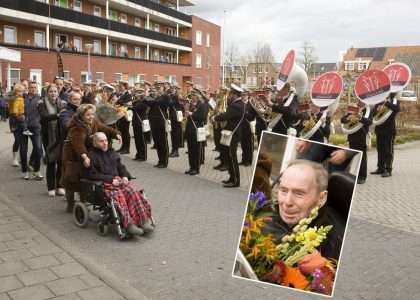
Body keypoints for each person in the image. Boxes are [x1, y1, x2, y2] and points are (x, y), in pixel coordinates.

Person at [262, 159, 345, 261]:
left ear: (321, 198)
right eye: (283, 190)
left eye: (299, 193)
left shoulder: (333, 248)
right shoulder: (263, 218)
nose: (287, 202)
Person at [85, 132, 154, 236]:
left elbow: (121, 167)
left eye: (106, 140)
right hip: (105, 186)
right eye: (101, 141)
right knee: (119, 196)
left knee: (133, 192)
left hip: (119, 183)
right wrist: (111, 179)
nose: (105, 143)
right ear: (95, 143)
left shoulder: (112, 152)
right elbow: (92, 175)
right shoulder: (92, 156)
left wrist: (125, 176)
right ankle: (128, 224)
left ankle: (143, 221)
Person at [62, 104, 121, 213]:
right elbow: (78, 145)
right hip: (72, 156)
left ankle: (83, 204)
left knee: (84, 180)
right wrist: (85, 156)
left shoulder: (93, 121)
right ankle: (70, 204)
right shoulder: (76, 127)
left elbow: (104, 128)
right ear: (81, 115)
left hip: (86, 153)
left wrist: (116, 134)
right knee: (71, 180)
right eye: (88, 115)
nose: (91, 117)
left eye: (92, 114)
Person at [215, 84, 246, 188]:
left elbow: (227, 116)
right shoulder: (239, 104)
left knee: (232, 158)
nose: (229, 96)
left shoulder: (236, 105)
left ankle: (235, 181)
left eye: (231, 94)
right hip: (233, 134)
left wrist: (216, 117)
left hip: (233, 135)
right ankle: (231, 178)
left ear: (235, 95)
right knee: (229, 156)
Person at [38, 84, 66, 197]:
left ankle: (60, 186)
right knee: (51, 161)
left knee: (60, 161)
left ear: (58, 93)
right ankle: (50, 186)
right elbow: (44, 117)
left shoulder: (62, 103)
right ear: (47, 92)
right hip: (48, 136)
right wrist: (58, 115)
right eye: (51, 91)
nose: (53, 93)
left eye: (55, 91)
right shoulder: (41, 104)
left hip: (60, 135)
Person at [371, 93, 400, 177]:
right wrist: (377, 109)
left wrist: (386, 103)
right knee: (380, 150)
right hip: (379, 130)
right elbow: (373, 114)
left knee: (388, 150)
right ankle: (380, 168)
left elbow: (397, 109)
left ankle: (388, 169)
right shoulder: (378, 102)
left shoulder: (394, 101)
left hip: (389, 130)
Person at [341, 103, 372, 184]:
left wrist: (360, 117)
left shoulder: (367, 111)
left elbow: (369, 122)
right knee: (354, 157)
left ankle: (362, 177)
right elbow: (342, 119)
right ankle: (354, 175)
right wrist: (349, 118)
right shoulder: (354, 108)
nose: (359, 100)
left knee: (362, 158)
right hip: (352, 137)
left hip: (361, 137)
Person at [20, 81, 43, 180]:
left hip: (35, 127)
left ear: (37, 89)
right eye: (31, 87)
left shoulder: (40, 99)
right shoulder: (22, 98)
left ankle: (36, 171)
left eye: (34, 87)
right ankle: (25, 171)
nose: (33, 89)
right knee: (23, 150)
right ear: (28, 89)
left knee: (38, 149)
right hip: (23, 127)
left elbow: (43, 113)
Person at [184, 90, 207, 175]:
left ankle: (196, 169)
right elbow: (187, 117)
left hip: (197, 130)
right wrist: (186, 112)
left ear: (198, 96)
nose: (192, 97)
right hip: (190, 130)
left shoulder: (202, 105)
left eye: (194, 95)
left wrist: (192, 114)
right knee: (190, 150)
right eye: (192, 95)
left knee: (196, 151)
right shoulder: (190, 105)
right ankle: (191, 167)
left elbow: (203, 117)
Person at [115, 81, 132, 154]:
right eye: (119, 86)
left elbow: (128, 105)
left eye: (121, 86)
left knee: (126, 132)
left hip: (125, 115)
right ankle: (122, 147)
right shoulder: (121, 94)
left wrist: (119, 104)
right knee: (122, 131)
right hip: (120, 115)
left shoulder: (128, 95)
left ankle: (127, 148)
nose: (119, 87)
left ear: (125, 86)